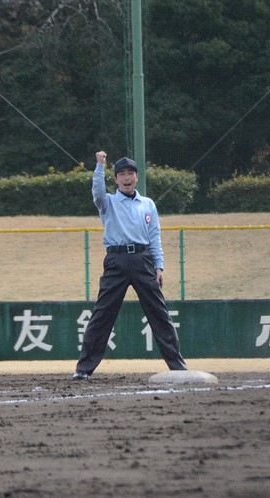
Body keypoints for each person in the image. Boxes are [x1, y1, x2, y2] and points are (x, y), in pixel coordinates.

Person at [73, 151, 187, 380]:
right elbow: (96, 192)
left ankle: (178, 367)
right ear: (115, 179)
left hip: (143, 260)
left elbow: (154, 237)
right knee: (103, 313)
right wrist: (99, 165)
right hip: (116, 260)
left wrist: (159, 266)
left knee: (159, 314)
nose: (126, 178)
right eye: (121, 174)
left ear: (136, 177)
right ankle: (84, 369)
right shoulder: (108, 202)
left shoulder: (147, 204)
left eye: (130, 174)